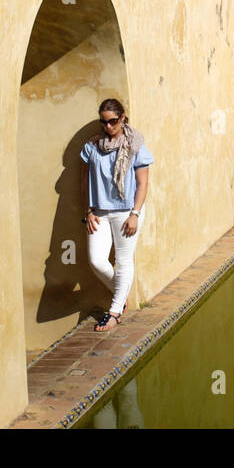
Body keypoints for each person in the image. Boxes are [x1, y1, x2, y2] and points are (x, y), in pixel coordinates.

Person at [80, 98, 153, 332]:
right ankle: (121, 297)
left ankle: (113, 312)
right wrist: (88, 210)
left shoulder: (135, 146)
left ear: (122, 118)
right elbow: (84, 181)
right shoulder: (91, 147)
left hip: (126, 212)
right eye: (104, 122)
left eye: (113, 121)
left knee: (123, 261)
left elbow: (142, 184)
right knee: (96, 261)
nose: (108, 127)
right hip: (99, 212)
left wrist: (135, 213)